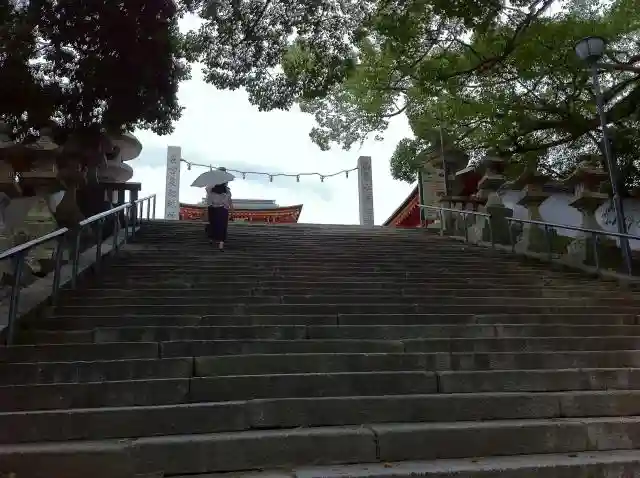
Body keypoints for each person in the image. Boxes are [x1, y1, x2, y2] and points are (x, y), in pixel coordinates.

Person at [206, 182, 232, 250]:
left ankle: (211, 238)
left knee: (213, 224)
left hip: (212, 209)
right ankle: (221, 243)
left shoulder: (211, 190)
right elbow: (229, 201)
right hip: (223, 209)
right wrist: (231, 210)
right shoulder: (227, 191)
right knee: (223, 226)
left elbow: (209, 202)